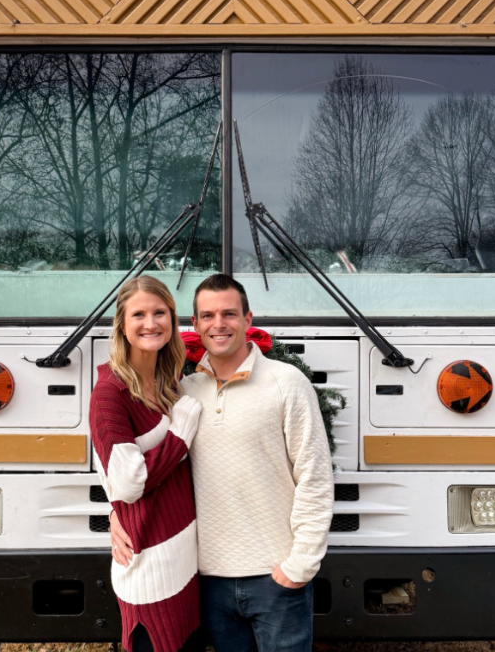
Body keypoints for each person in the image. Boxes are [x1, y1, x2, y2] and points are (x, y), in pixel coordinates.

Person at [112, 273, 333, 652]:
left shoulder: (287, 383)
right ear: (195, 324)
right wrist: (117, 514)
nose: (219, 324)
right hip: (207, 582)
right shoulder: (181, 392)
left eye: (229, 314)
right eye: (208, 315)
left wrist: (299, 567)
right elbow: (149, 468)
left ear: (248, 320)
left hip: (275, 579)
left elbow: (314, 476)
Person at [90, 276, 205, 652]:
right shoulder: (110, 394)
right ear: (122, 324)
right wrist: (179, 435)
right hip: (149, 570)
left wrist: (114, 511)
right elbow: (127, 481)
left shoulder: (170, 381)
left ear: (173, 320)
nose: (150, 323)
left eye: (160, 313)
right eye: (139, 314)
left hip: (184, 560)